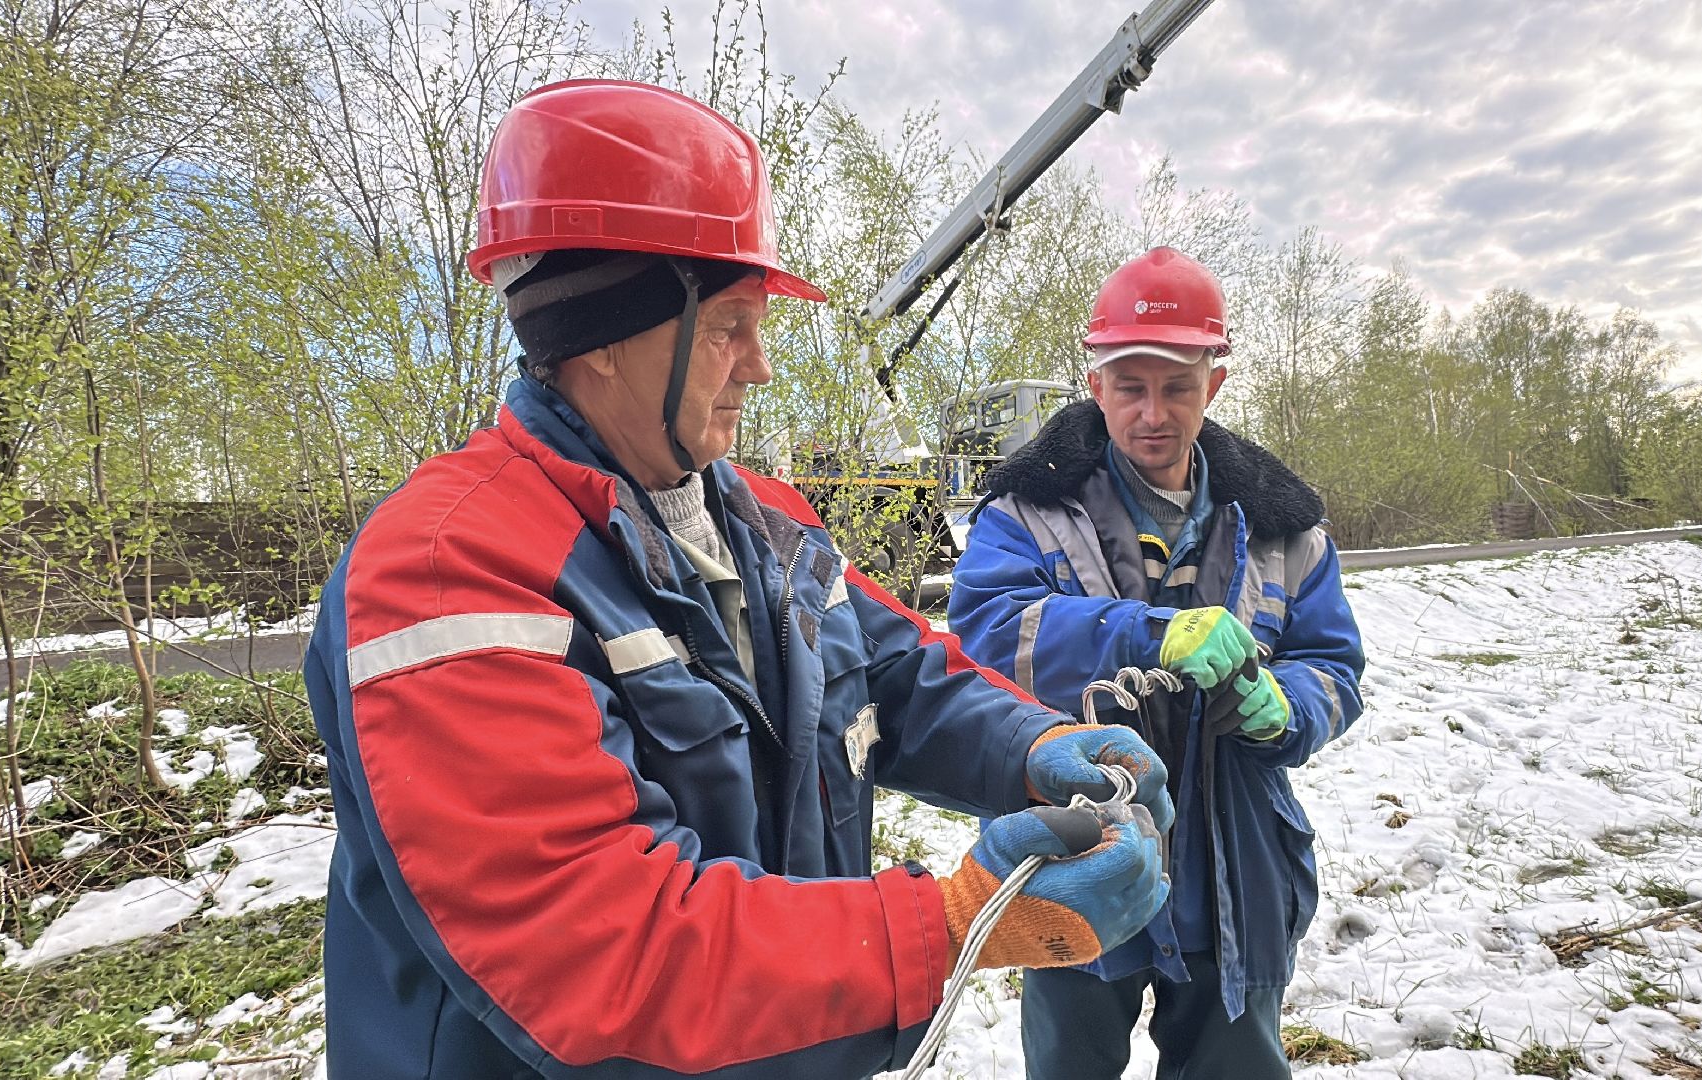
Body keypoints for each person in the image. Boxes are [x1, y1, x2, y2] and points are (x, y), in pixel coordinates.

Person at [302, 79, 1174, 1080]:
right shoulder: (448, 569)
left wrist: (1042, 742)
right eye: (729, 324)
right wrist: (949, 925)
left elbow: (896, 676)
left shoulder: (763, 518)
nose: (759, 367)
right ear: (603, 332)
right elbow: (602, 958)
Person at [947, 247, 1366, 1079]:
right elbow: (986, 635)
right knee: (1070, 1063)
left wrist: (1289, 707)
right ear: (1095, 383)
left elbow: (1332, 662)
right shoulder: (1024, 511)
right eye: (1130, 386)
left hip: (1235, 856)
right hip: (1080, 840)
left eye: (1177, 386)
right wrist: (1142, 633)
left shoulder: (1286, 526)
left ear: (1214, 382)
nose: (1152, 412)